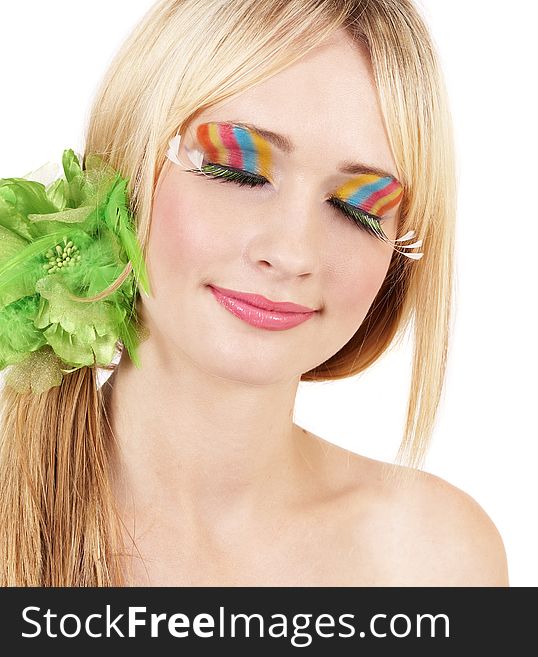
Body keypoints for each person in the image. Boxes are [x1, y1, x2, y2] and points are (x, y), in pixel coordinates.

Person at [0, 0, 507, 587]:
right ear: (126, 170)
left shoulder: (434, 559)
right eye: (238, 172)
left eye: (356, 208)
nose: (293, 252)